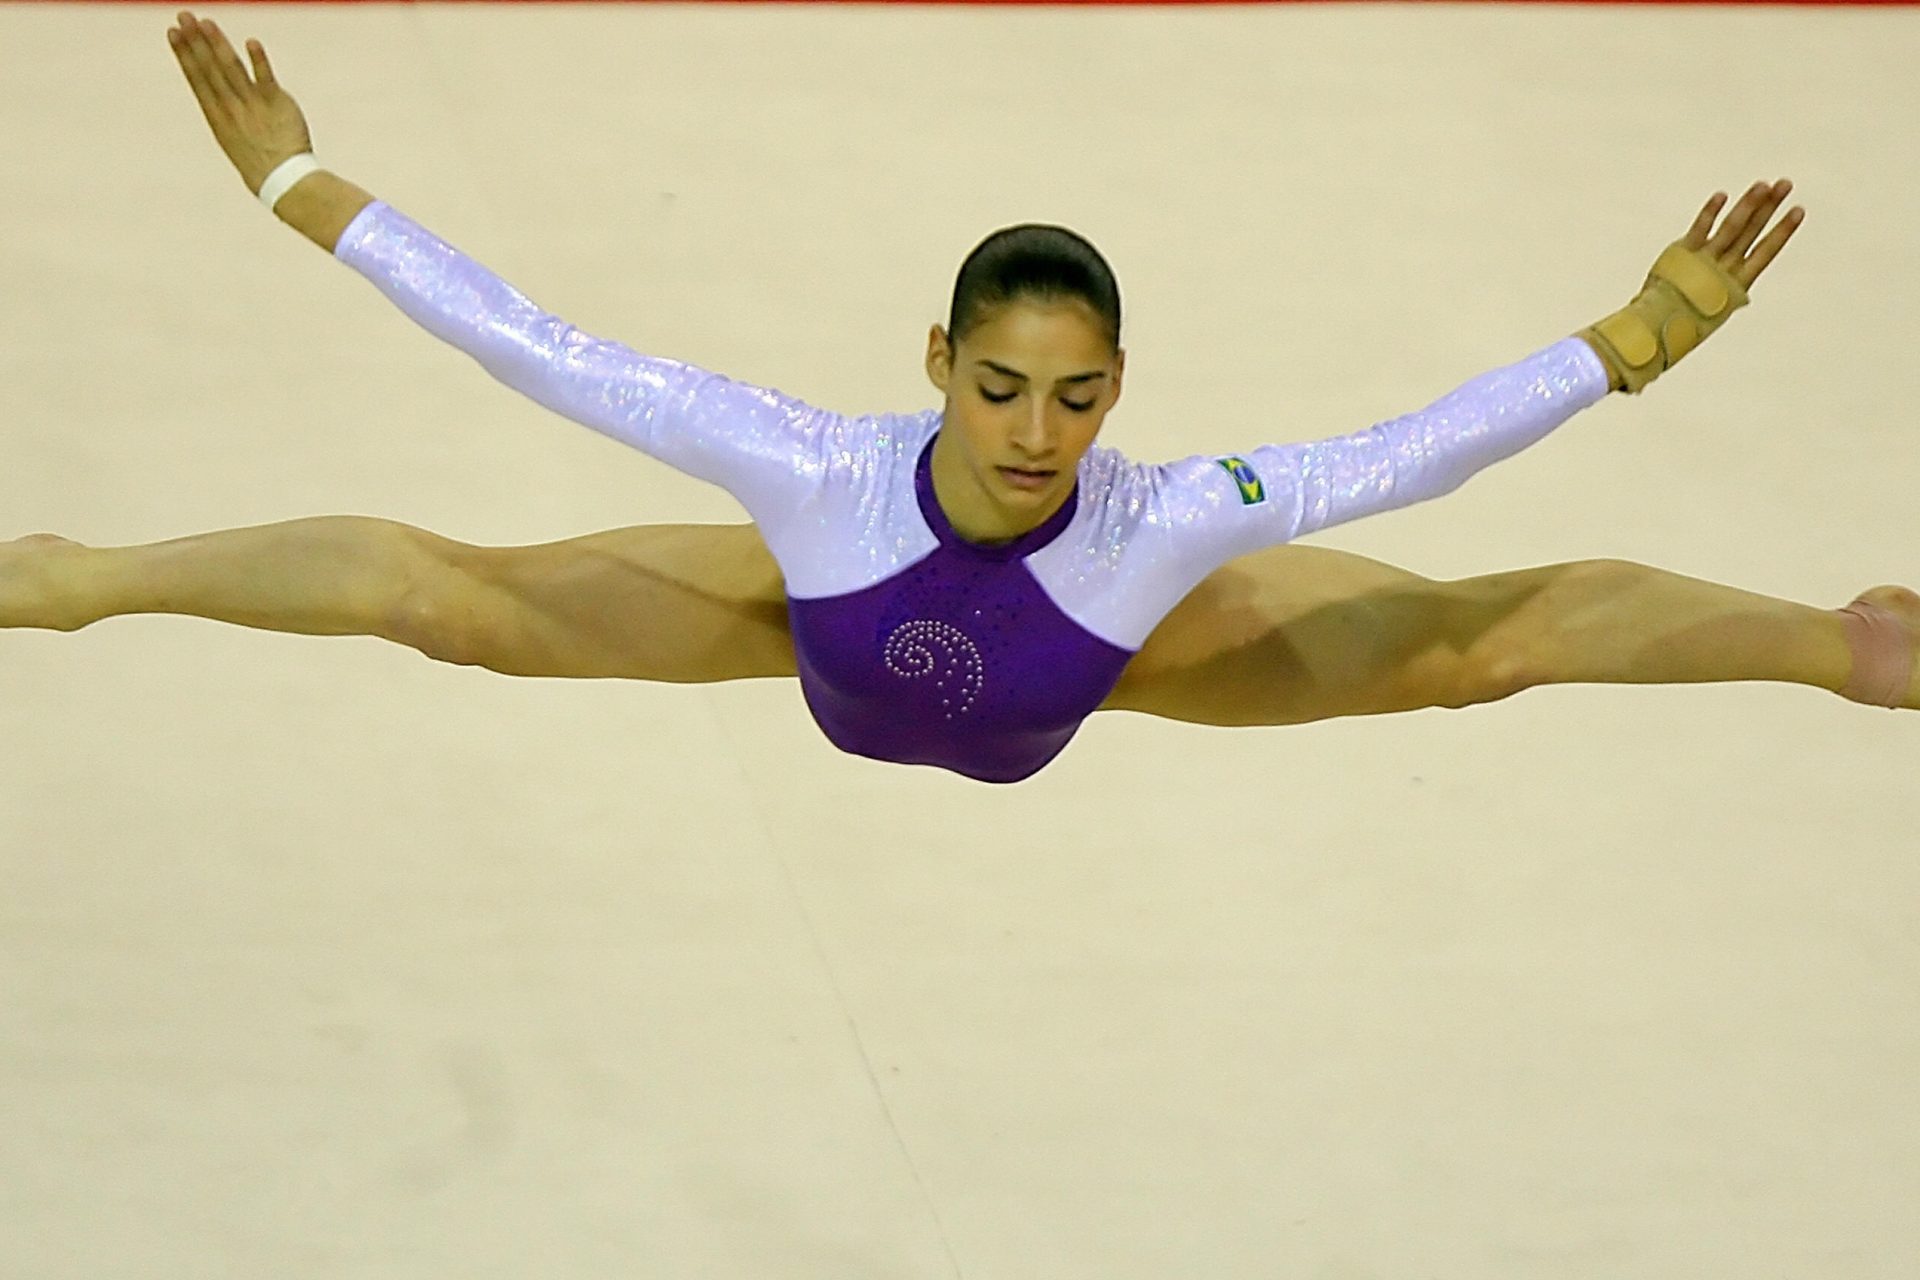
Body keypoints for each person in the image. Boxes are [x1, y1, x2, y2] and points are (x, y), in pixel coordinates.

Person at [3, 13, 1909, 782]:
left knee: (1495, 643)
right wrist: (294, 185)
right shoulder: (804, 466)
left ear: (1117, 393)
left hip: (1123, 648)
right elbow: (540, 346)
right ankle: (70, 575)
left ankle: (1854, 646)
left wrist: (1641, 332)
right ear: (938, 363)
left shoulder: (1168, 518)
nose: (1031, 433)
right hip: (808, 619)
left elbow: (1413, 452)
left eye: (1074, 399)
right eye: (999, 386)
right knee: (443, 599)